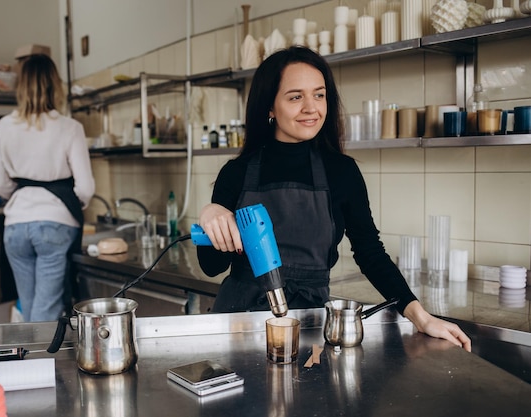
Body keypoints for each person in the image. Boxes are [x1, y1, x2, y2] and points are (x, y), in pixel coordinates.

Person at [196, 46, 471, 352]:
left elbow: (370, 253)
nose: (311, 108)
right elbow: (211, 266)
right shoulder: (237, 172)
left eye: (319, 94)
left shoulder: (341, 172)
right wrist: (210, 215)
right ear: (270, 107)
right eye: (295, 96)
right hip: (239, 325)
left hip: (310, 325)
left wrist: (420, 316)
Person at [0, 54, 95, 322]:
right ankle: (41, 363)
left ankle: (29, 361)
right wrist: (63, 204)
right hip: (55, 224)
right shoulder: (70, 127)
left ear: (21, 87)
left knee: (29, 305)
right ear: (55, 85)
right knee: (46, 310)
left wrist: (24, 198)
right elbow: (85, 188)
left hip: (15, 225)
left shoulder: (4, 126)